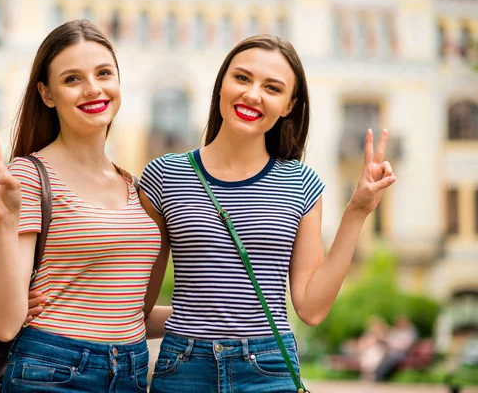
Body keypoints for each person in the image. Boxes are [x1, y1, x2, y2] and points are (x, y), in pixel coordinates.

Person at [136, 35, 397, 392]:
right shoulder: (164, 176)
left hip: (268, 368)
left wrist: (357, 210)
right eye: (242, 78)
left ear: (289, 105)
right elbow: (138, 305)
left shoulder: (302, 182)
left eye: (272, 88)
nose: (253, 94)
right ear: (221, 85)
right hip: (184, 368)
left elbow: (311, 309)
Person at [0, 19, 170, 392]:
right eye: (72, 79)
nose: (93, 89)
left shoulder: (133, 187)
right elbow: (5, 324)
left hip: (132, 372)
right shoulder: (27, 176)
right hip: (55, 371)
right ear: (47, 94)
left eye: (103, 73)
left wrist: (223, 318)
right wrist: (4, 221)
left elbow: (130, 312)